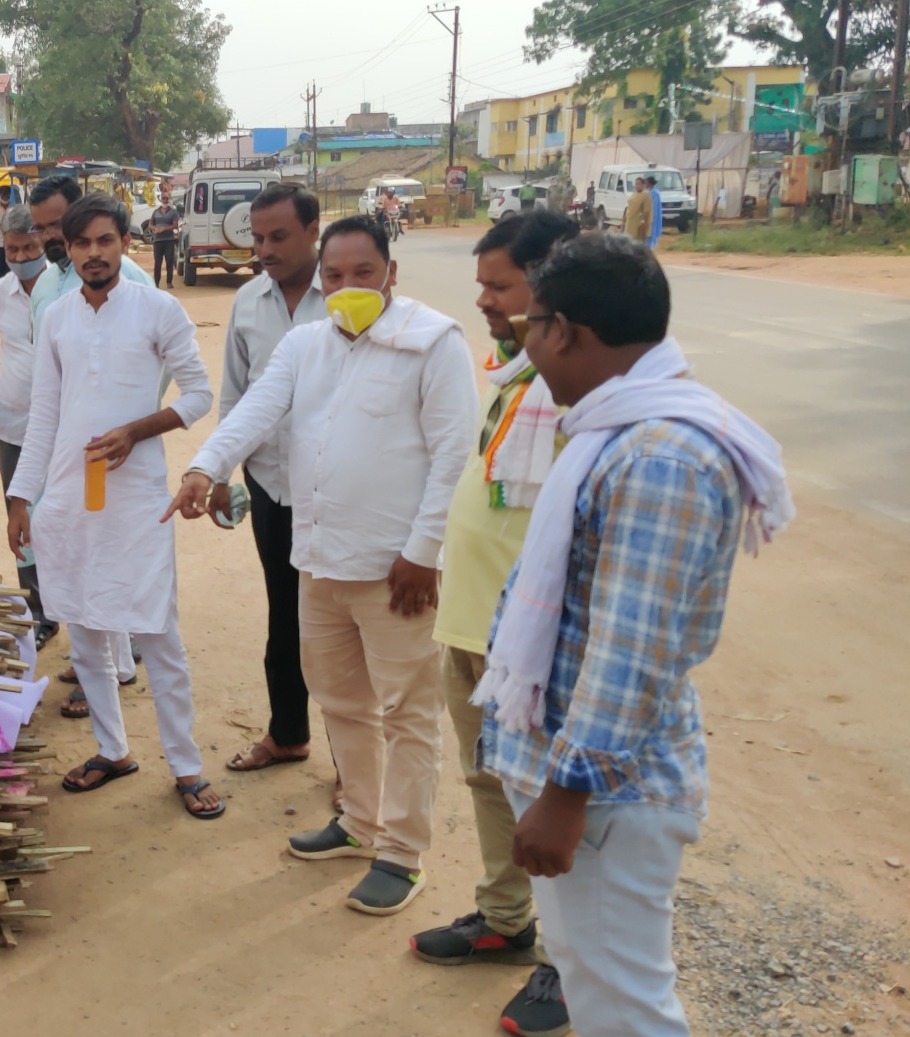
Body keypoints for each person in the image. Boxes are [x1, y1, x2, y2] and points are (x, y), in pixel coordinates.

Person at [477, 232, 792, 1036]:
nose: (524, 341)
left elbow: (632, 647)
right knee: (595, 982)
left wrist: (565, 794)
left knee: (624, 1006)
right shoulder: (621, 429)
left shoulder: (659, 457)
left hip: (608, 792)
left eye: (529, 325)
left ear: (569, 331)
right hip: (590, 781)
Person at [166, 216, 474, 916]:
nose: (346, 288)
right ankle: (359, 823)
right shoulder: (306, 345)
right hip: (321, 561)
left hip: (398, 571)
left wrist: (423, 552)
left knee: (409, 713)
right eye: (334, 276)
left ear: (391, 273)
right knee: (342, 704)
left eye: (362, 274)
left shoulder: (433, 341)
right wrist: (204, 465)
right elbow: (256, 412)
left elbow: (454, 454)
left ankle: (402, 853)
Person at [408, 211, 578, 1037]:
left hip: (530, 641)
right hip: (472, 623)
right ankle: (506, 921)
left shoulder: (575, 387)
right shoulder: (516, 369)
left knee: (552, 803)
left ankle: (567, 967)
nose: (482, 298)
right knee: (488, 783)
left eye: (499, 285)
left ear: (550, 287)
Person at [3, 194, 221, 819]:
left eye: (105, 240)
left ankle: (185, 765)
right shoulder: (59, 318)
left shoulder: (158, 308)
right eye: (81, 243)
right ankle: (113, 749)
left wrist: (137, 431)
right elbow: (44, 414)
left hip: (137, 498)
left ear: (127, 241)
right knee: (85, 626)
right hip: (70, 496)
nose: (93, 253)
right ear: (66, 250)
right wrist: (22, 497)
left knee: (158, 630)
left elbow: (201, 394)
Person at [25, 174, 154, 713]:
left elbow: (161, 375)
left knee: (110, 557)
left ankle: (109, 668)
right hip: (61, 447)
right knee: (75, 553)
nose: (52, 237)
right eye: (44, 230)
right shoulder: (48, 291)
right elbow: (48, 384)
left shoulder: (139, 288)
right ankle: (102, 663)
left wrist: (130, 432)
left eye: (60, 224)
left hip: (119, 448)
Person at [213, 184, 325, 774]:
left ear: (313, 230)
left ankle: (355, 772)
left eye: (278, 237)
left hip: (335, 488)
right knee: (284, 615)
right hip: (270, 483)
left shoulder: (348, 297)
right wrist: (221, 466)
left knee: (340, 626)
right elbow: (237, 392)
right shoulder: (249, 300)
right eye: (257, 238)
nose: (263, 249)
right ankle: (288, 734)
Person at [0, 203, 58, 649]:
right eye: (13, 249)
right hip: (11, 427)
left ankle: (74, 606)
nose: (21, 257)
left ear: (43, 244)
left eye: (29, 247)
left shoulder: (65, 287)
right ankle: (40, 612)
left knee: (64, 517)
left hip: (62, 429)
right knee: (21, 520)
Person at [148, 195, 182, 289]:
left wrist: (164, 229)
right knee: (157, 263)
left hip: (169, 240)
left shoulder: (173, 212)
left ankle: (169, 282)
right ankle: (156, 283)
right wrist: (154, 228)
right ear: (160, 199)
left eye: (167, 199)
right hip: (157, 241)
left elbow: (175, 225)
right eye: (163, 198)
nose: (165, 200)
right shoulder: (155, 212)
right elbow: (150, 224)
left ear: (169, 200)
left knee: (169, 261)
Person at [623, 177, 651, 242]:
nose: (637, 186)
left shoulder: (645, 195)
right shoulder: (634, 194)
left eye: (639, 184)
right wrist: (624, 219)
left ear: (643, 185)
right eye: (636, 184)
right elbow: (628, 206)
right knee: (627, 238)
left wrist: (643, 220)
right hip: (629, 220)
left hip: (638, 220)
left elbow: (646, 210)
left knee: (636, 239)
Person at [646, 176, 665, 248]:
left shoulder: (655, 193)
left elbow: (654, 205)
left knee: (652, 229)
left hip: (653, 214)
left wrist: (651, 214)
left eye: (647, 183)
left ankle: (651, 244)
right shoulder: (648, 192)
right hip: (648, 214)